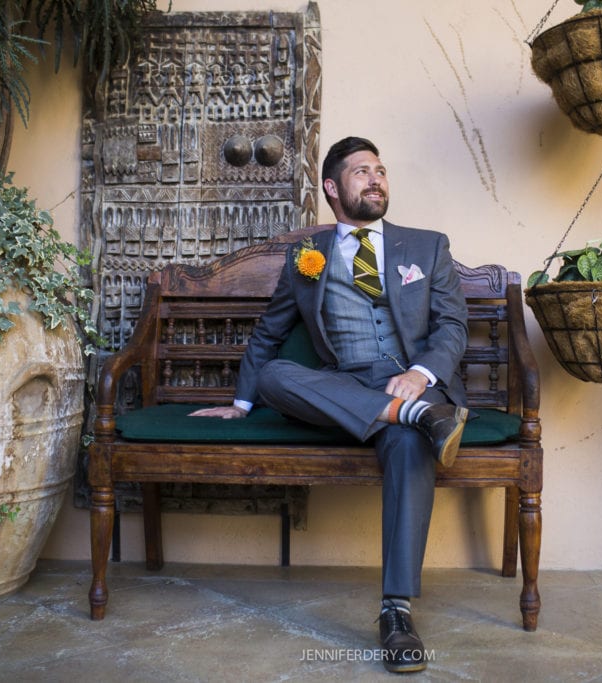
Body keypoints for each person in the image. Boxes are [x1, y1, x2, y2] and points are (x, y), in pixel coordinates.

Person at [191, 136, 468, 674]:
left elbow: (452, 325)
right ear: (333, 188)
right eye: (361, 172)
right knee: (276, 375)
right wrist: (242, 404)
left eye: (380, 170)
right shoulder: (306, 256)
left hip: (413, 384)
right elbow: (269, 334)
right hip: (343, 387)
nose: (376, 178)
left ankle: (395, 611)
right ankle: (421, 420)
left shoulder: (427, 246)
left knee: (408, 443)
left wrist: (420, 375)